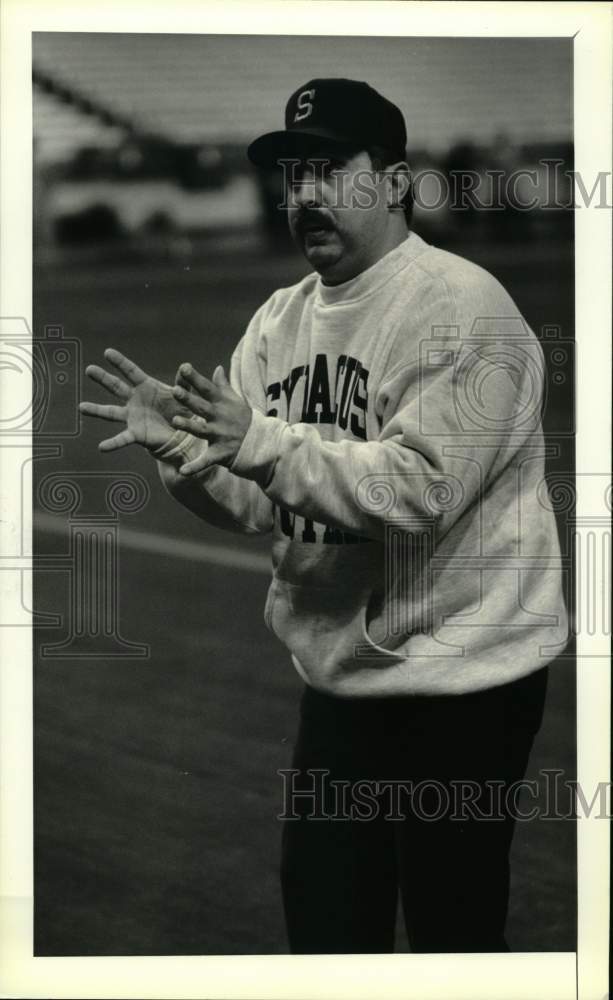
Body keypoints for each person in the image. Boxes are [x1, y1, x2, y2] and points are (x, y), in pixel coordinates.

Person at [80, 78, 568, 954]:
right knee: (326, 930)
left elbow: (418, 494)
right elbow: (251, 493)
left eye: (326, 171)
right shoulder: (281, 320)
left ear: (390, 181)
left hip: (463, 683)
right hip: (341, 682)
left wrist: (256, 443)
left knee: (452, 936)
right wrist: (186, 454)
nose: (302, 194)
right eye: (292, 173)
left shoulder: (462, 311)